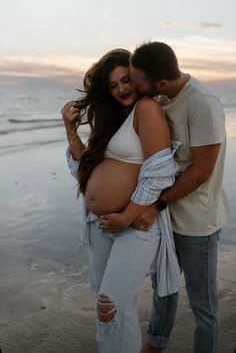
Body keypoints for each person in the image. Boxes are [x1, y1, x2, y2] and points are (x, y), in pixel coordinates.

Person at [61, 49, 181, 353]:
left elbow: (158, 172)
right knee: (116, 307)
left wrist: (125, 218)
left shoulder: (147, 109)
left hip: (134, 223)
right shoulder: (114, 119)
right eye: (113, 86)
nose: (121, 89)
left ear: (138, 79)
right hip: (102, 224)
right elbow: (83, 172)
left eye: (126, 81)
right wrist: (70, 130)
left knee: (109, 304)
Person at [129, 41, 231, 353]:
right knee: (164, 292)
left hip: (197, 224)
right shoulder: (158, 96)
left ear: (160, 83)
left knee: (203, 304)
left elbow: (201, 170)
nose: (133, 87)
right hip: (166, 218)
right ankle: (155, 346)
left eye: (137, 82)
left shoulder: (201, 103)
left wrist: (156, 203)